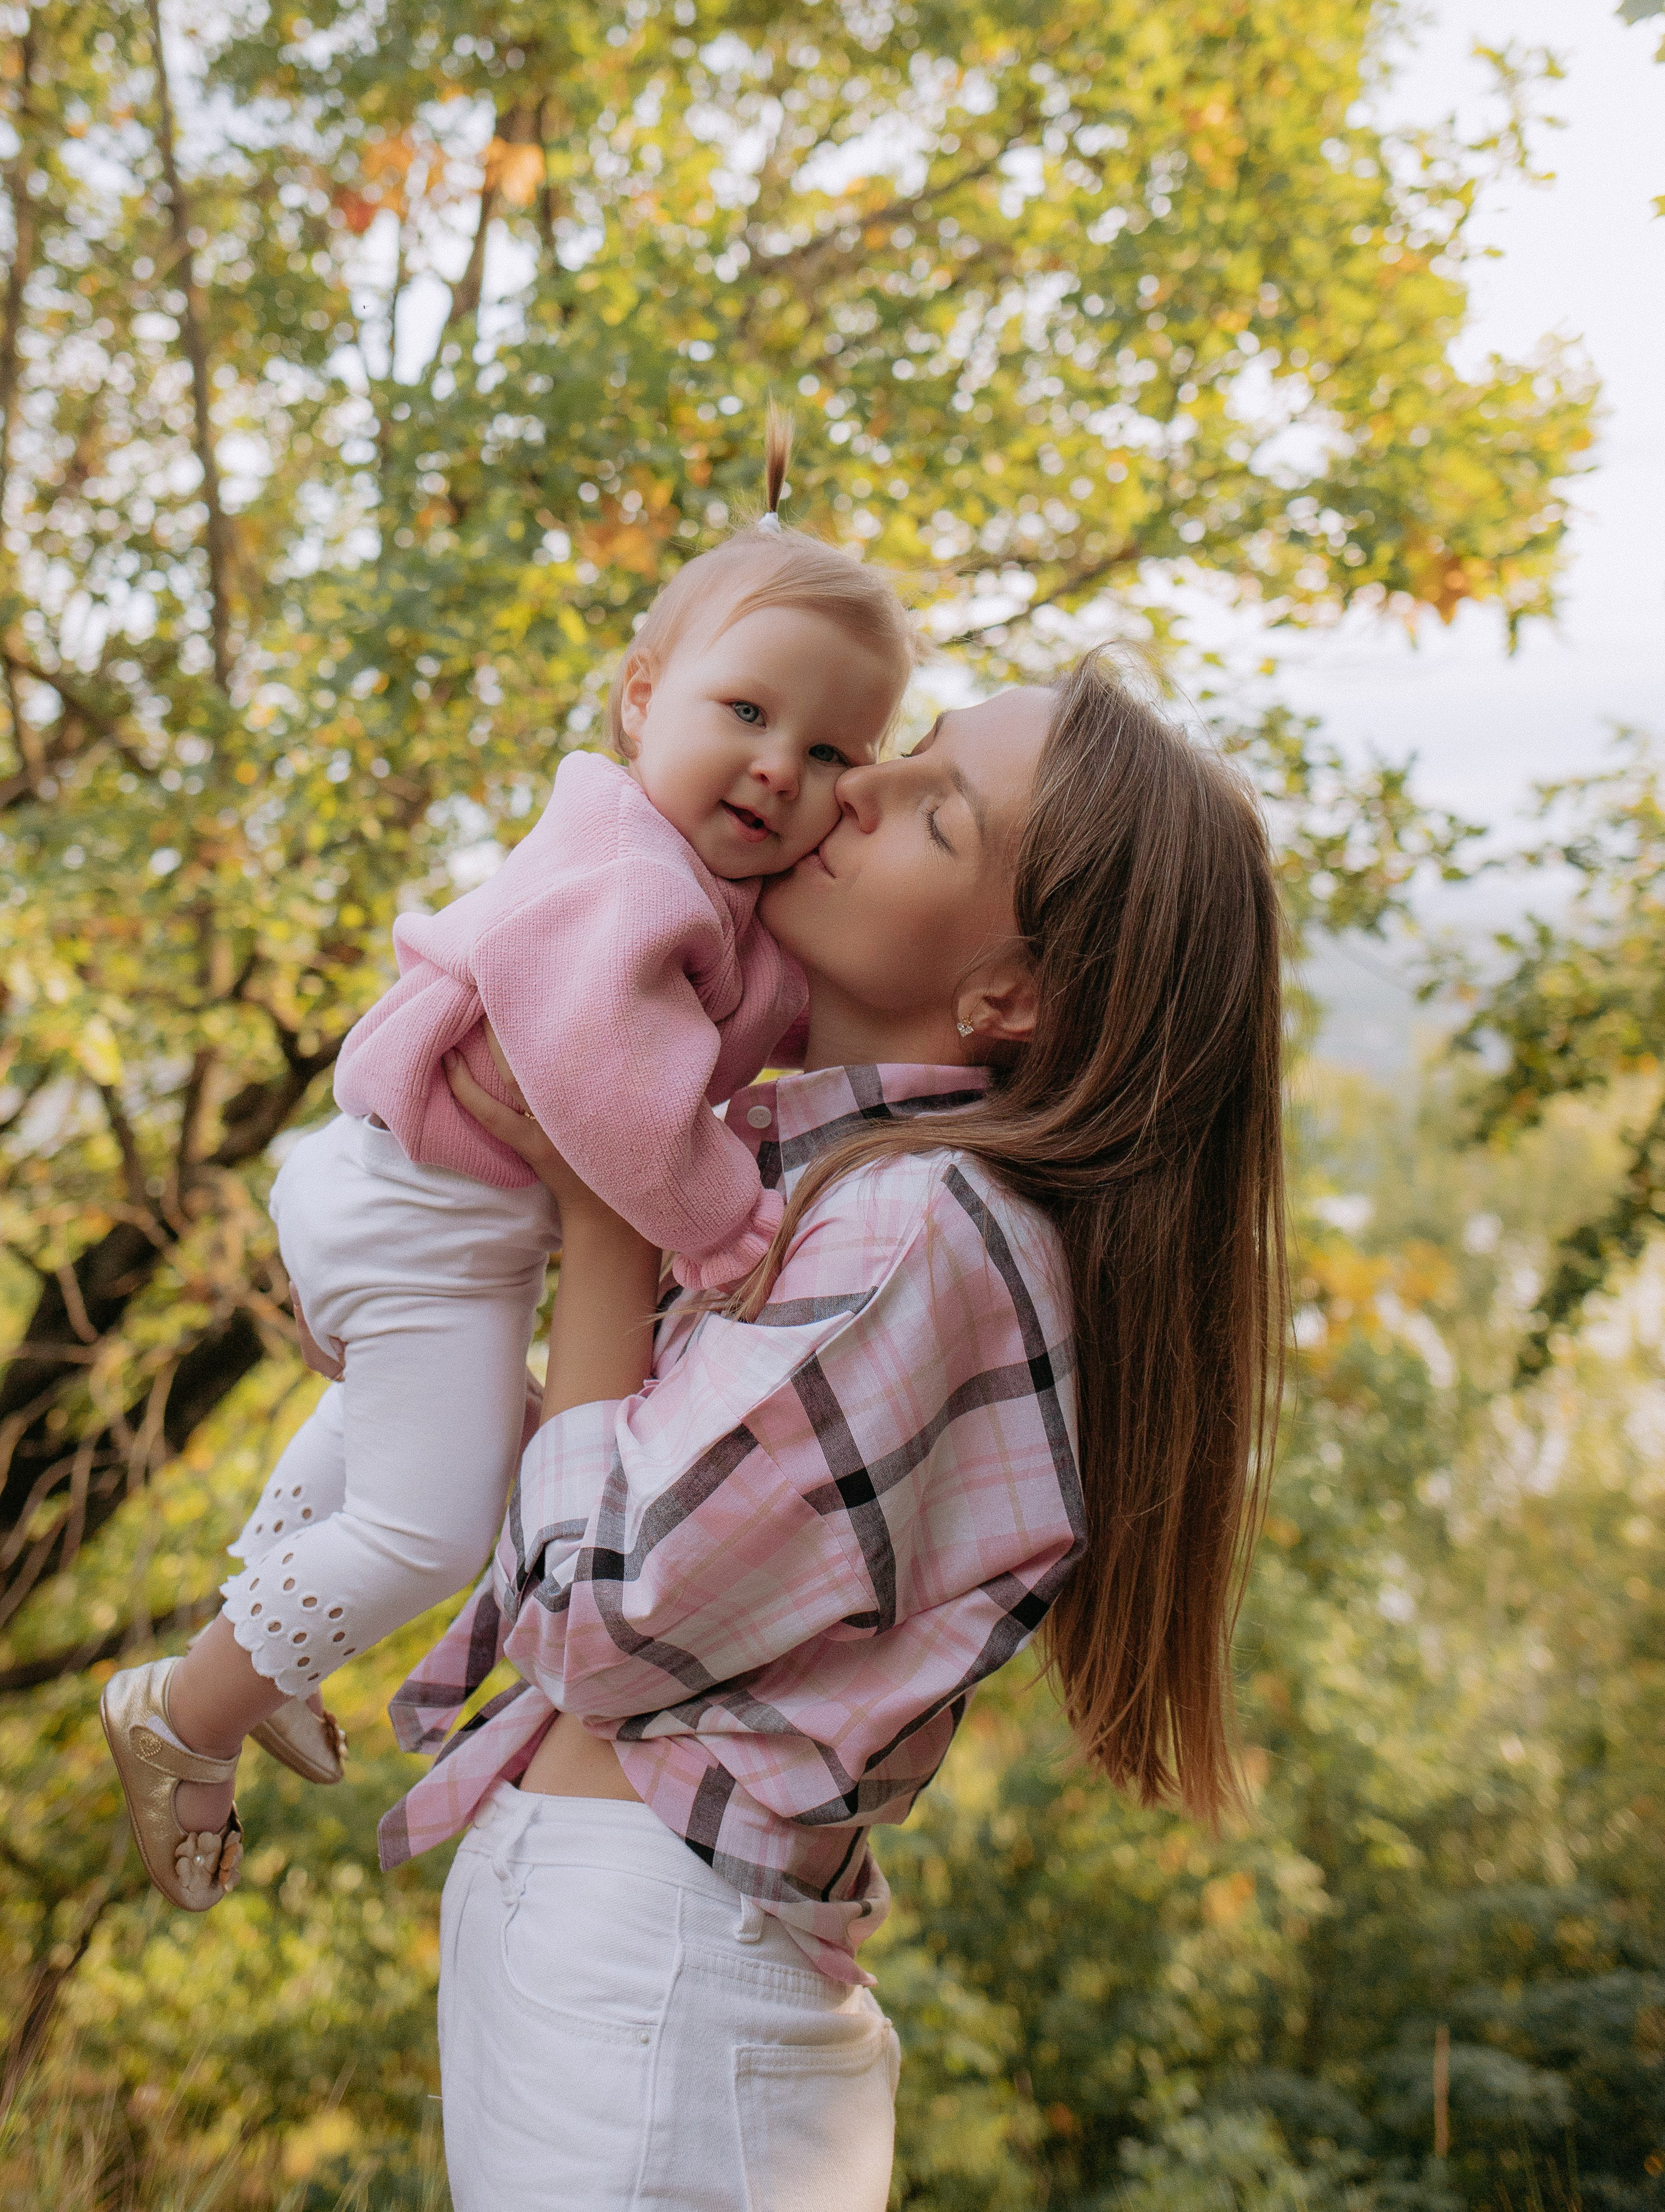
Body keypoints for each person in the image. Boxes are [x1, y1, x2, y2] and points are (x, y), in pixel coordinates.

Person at [386, 657, 1286, 2212]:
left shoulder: (914, 1226)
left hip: (651, 1982)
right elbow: (632, 1511)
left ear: (1011, 998)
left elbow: (602, 1614)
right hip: (627, 1962)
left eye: (935, 813)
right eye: (909, 749)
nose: (855, 785)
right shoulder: (847, 1192)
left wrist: (607, 1209)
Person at [98, 418, 915, 1912]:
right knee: (431, 1526)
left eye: (827, 757)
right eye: (744, 710)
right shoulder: (618, 872)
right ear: (641, 695)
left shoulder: (701, 882)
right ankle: (185, 1714)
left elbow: (765, 1011)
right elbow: (615, 1091)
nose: (773, 767)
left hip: (420, 1203)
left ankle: (272, 1635)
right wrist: (727, 1227)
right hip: (419, 1213)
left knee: (406, 1435)